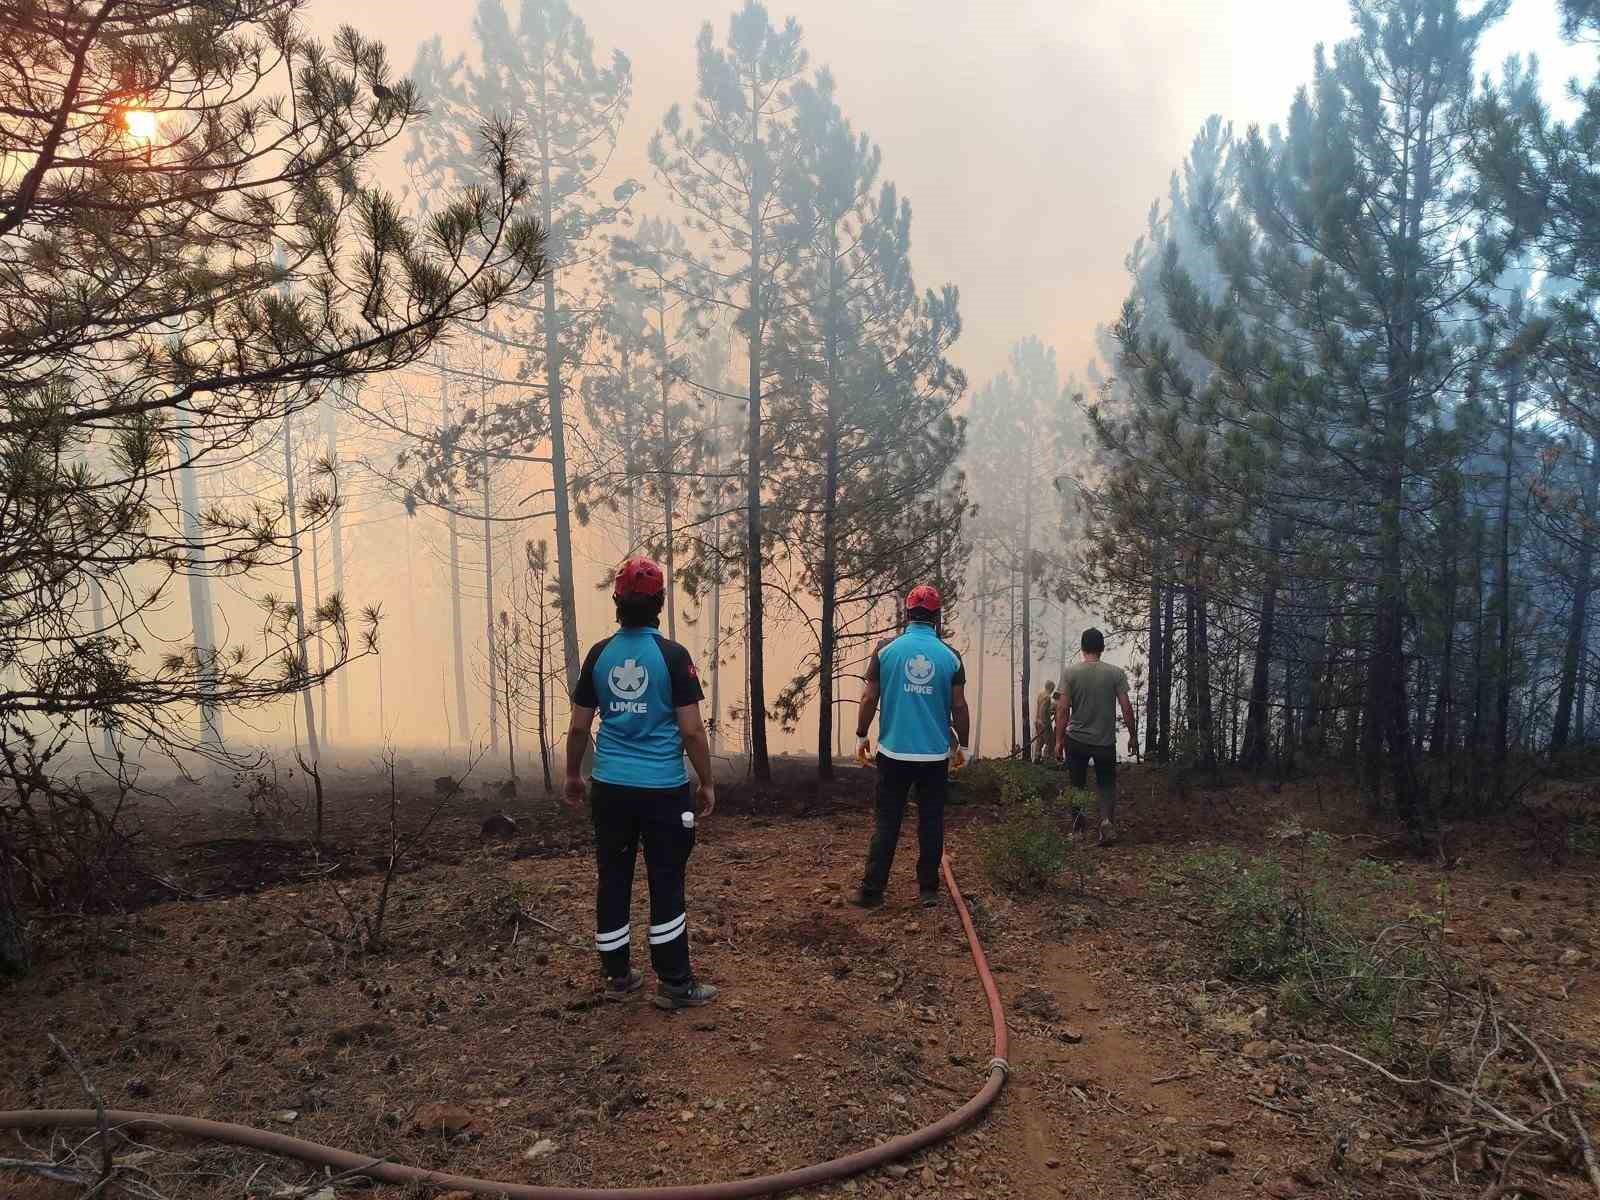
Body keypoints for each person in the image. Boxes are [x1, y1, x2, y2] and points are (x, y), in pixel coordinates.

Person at [563, 556, 718, 1010]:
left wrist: (574, 774)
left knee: (613, 877)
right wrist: (706, 781)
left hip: (609, 787)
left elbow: (577, 728)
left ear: (616, 601)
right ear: (660, 603)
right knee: (666, 880)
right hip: (662, 790)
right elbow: (691, 730)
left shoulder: (598, 655)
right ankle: (674, 984)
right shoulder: (673, 657)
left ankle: (617, 975)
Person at [852, 584, 971, 909]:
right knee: (931, 820)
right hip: (934, 756)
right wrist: (964, 746)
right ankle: (929, 890)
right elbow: (958, 707)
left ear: (907, 613)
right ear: (937, 616)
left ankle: (871, 892)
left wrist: (862, 735)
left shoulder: (885, 650)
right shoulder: (950, 656)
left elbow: (869, 696)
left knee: (887, 821)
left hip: (893, 752)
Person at [1054, 627, 1138, 845]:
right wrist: (1132, 735)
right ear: (1102, 647)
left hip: (1077, 741)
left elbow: (1062, 710)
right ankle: (1107, 824)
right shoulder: (1115, 674)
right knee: (1107, 784)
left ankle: (1078, 831)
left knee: (1077, 785)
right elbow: (1126, 707)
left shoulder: (1071, 673)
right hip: (1104, 742)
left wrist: (1058, 741)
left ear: (1082, 648)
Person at [1032, 680, 1057, 761]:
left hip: (1038, 721)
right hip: (1044, 723)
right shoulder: (1047, 697)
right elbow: (1043, 710)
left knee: (1039, 741)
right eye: (1053, 688)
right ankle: (1047, 758)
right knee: (1050, 742)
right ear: (1051, 687)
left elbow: (1042, 709)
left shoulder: (1040, 695)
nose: (1053, 690)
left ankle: (1037, 757)